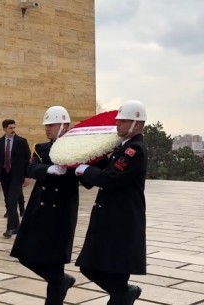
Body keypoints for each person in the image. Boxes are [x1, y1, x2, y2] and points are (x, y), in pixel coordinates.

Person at [74, 100, 147, 304]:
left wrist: (87, 170)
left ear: (137, 124)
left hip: (122, 221)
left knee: (116, 274)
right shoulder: (121, 147)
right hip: (109, 219)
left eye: (123, 121)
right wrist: (81, 165)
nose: (118, 125)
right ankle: (124, 293)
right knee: (88, 266)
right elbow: (99, 172)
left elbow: (110, 178)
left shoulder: (135, 150)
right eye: (119, 121)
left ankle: (121, 295)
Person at [10, 106, 79, 305]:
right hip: (39, 209)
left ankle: (56, 292)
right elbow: (31, 168)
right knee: (25, 254)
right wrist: (49, 169)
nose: (47, 129)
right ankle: (62, 281)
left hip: (62, 211)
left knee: (55, 263)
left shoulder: (77, 147)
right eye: (46, 125)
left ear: (64, 125)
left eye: (51, 124)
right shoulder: (42, 148)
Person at [0, 119, 31, 238]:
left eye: (14, 127)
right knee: (8, 201)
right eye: (10, 128)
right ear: (4, 129)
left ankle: (10, 228)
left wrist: (28, 176)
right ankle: (17, 227)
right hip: (4, 176)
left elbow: (28, 160)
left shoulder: (21, 142)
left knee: (11, 201)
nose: (13, 130)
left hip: (17, 176)